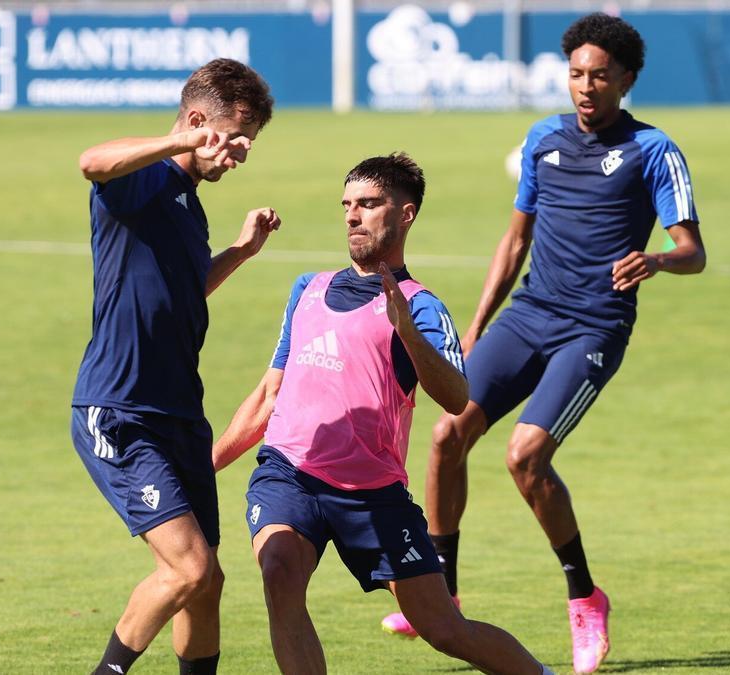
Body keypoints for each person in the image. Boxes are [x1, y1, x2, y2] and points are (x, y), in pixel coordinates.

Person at [379, 14, 706, 675]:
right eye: (576, 74)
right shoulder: (542, 138)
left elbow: (693, 251)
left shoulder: (653, 149)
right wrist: (476, 325)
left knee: (525, 456)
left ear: (626, 79)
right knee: (447, 436)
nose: (586, 86)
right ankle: (441, 594)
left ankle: (584, 596)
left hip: (593, 327)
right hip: (528, 315)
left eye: (600, 76)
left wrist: (657, 260)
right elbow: (515, 240)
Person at [211, 154, 555, 675]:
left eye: (369, 204)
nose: (353, 216)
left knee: (444, 629)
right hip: (289, 473)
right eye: (347, 205)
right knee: (279, 574)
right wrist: (204, 466)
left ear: (405, 214)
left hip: (372, 494)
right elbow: (268, 394)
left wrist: (407, 332)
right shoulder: (308, 290)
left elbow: (457, 397)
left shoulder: (422, 306)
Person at [69, 58, 277, 675]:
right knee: (187, 569)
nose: (238, 157)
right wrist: (179, 144)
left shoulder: (189, 204)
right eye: (234, 140)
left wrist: (240, 252)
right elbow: (91, 162)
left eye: (248, 145)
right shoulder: (145, 179)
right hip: (122, 408)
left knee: (207, 582)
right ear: (195, 120)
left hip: (180, 415)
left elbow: (183, 290)